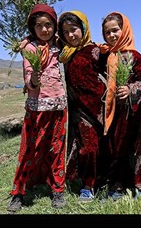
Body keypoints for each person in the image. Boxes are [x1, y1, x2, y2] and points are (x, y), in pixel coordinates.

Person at [7, 4, 68, 213]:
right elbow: (28, 76)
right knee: (28, 151)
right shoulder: (30, 48)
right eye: (39, 26)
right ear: (32, 27)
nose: (44, 30)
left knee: (57, 149)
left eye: (49, 25)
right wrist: (33, 79)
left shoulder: (60, 46)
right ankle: (18, 193)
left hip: (59, 107)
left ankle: (57, 190)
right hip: (36, 109)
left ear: (54, 26)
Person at [100, 12, 141, 201]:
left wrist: (130, 89)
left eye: (115, 30)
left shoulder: (133, 55)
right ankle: (118, 186)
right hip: (118, 112)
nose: (112, 35)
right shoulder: (109, 56)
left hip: (139, 111)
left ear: (125, 30)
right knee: (118, 148)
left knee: (140, 148)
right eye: (107, 33)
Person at [57, 11, 107, 202]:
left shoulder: (96, 51)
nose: (70, 35)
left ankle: (105, 182)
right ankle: (88, 185)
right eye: (66, 32)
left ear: (84, 28)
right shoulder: (66, 52)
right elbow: (43, 36)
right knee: (88, 147)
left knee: (104, 145)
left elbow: (112, 69)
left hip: (100, 108)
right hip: (79, 111)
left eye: (74, 30)